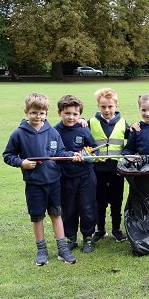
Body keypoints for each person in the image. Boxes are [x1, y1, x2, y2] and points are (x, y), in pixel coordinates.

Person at [3, 93, 82, 266]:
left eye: (41, 113)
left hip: (54, 182)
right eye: (34, 113)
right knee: (37, 217)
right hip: (34, 184)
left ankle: (63, 249)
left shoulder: (52, 132)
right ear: (26, 112)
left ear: (46, 113)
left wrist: (72, 155)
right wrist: (22, 162)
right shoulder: (18, 134)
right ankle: (42, 250)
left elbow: (60, 152)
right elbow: (8, 155)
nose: (38, 116)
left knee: (56, 214)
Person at [54, 95, 98, 253]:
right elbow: (54, 152)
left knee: (87, 207)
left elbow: (94, 148)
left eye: (75, 114)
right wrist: (71, 154)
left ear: (79, 115)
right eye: (67, 113)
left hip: (86, 176)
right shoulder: (54, 131)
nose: (71, 117)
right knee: (69, 209)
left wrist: (87, 155)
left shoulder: (83, 129)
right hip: (65, 177)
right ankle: (71, 238)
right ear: (59, 112)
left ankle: (88, 237)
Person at [88, 88, 129, 244]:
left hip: (116, 170)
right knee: (99, 201)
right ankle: (100, 229)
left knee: (116, 201)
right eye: (103, 106)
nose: (107, 110)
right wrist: (80, 121)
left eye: (110, 106)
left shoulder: (123, 122)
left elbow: (133, 139)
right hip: (97, 170)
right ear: (98, 106)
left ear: (116, 106)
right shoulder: (90, 122)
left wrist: (137, 127)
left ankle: (117, 230)